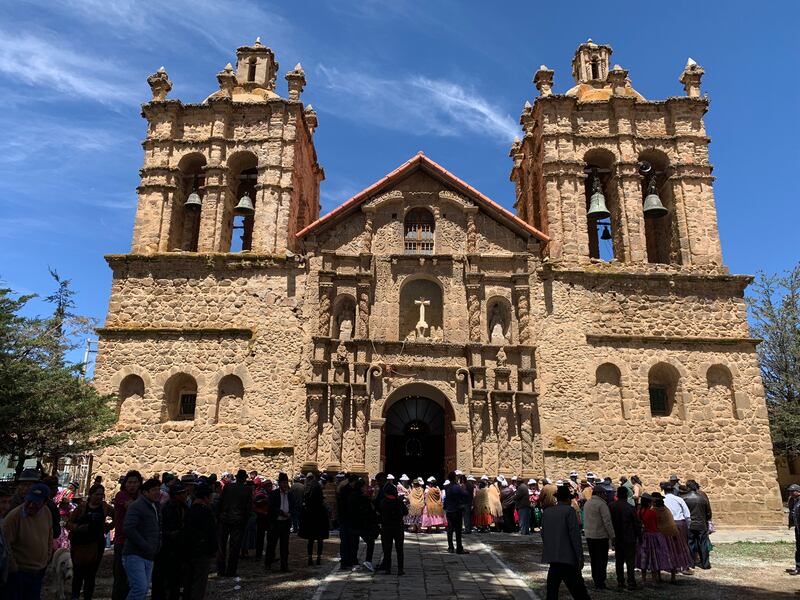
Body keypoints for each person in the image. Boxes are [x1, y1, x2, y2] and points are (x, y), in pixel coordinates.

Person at [2, 483, 53, 600]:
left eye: (36, 503)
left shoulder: (47, 513)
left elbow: (49, 535)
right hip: (20, 572)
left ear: (44, 503)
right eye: (29, 501)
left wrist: (47, 557)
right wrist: (14, 567)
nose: (30, 505)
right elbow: (5, 545)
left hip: (38, 571)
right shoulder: (14, 517)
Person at [540, 485, 590, 600]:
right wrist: (580, 557)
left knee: (552, 593)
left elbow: (543, 534)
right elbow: (575, 537)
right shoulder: (569, 511)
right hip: (568, 559)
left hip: (554, 558)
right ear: (567, 499)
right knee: (580, 593)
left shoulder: (547, 512)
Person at [67, 483, 114, 600]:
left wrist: (108, 527)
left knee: (91, 574)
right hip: (79, 543)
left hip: (96, 544)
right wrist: (78, 528)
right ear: (91, 495)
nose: (99, 497)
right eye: (96, 494)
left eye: (101, 495)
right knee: (78, 573)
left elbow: (117, 516)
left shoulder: (105, 507)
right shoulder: (81, 508)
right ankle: (75, 596)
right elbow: (69, 523)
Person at [123, 478, 162, 600]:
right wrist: (145, 545)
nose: (157, 492)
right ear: (145, 492)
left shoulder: (155, 506)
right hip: (135, 554)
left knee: (143, 590)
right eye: (154, 490)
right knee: (139, 588)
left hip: (148, 555)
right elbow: (129, 529)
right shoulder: (137, 506)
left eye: (158, 489)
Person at [152, 482, 188, 600]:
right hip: (168, 550)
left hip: (178, 549)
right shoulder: (168, 509)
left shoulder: (183, 507)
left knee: (175, 581)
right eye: (182, 493)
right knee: (165, 580)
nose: (185, 495)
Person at [112, 470, 142, 600]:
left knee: (134, 579)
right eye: (130, 482)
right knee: (120, 579)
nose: (132, 485)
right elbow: (132, 507)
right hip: (122, 542)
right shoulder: (121, 495)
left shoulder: (140, 497)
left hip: (137, 542)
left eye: (135, 482)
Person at [184, 483, 217, 600]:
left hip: (189, 551)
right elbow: (210, 533)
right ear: (206, 497)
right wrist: (214, 550)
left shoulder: (189, 510)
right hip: (202, 552)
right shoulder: (205, 511)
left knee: (189, 581)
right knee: (199, 582)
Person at [651, 492, 693, 583]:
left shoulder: (654, 511)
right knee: (672, 554)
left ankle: (658, 577)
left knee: (658, 555)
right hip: (671, 534)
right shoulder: (666, 510)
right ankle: (673, 577)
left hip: (661, 535)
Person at [216, 469, 251, 577]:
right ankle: (231, 570)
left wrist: (220, 515)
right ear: (244, 479)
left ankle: (221, 570)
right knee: (234, 547)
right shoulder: (247, 490)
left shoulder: (228, 487)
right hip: (238, 520)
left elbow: (221, 502)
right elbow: (248, 508)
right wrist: (245, 520)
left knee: (221, 545)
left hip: (225, 518)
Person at [582, 484, 614, 590]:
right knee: (602, 560)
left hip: (590, 536)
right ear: (600, 494)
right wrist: (612, 535)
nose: (605, 495)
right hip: (600, 536)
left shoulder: (587, 503)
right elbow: (607, 522)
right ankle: (600, 581)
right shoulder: (601, 504)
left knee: (594, 559)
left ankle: (596, 579)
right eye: (604, 493)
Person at [609, 486, 639, 590]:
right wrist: (639, 536)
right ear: (626, 495)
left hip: (617, 537)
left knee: (619, 560)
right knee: (630, 561)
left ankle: (620, 581)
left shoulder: (612, 506)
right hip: (629, 537)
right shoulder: (630, 508)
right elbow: (636, 524)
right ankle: (631, 581)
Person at [298, 473, 329, 566]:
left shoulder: (308, 496)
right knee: (320, 540)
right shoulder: (321, 502)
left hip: (311, 518)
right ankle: (319, 558)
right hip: (319, 519)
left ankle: (310, 558)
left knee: (311, 540)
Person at [265, 472, 294, 572]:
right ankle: (268, 563)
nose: (285, 485)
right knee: (271, 544)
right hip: (276, 522)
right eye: (284, 483)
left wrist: (290, 514)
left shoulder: (290, 494)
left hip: (285, 523)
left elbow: (293, 506)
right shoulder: (274, 494)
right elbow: (272, 507)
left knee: (284, 546)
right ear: (280, 483)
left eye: (286, 483)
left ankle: (284, 565)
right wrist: (282, 513)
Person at [349, 478, 378, 571]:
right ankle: (368, 561)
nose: (365, 488)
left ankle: (354, 563)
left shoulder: (351, 497)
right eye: (364, 486)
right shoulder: (364, 498)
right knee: (370, 542)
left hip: (353, 523)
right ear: (361, 487)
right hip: (363, 524)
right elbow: (370, 511)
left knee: (354, 544)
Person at [682, 480, 712, 569]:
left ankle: (691, 563)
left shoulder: (684, 498)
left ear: (688, 487)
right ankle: (705, 564)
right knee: (703, 544)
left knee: (690, 543)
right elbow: (708, 513)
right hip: (701, 525)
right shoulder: (703, 498)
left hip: (690, 525)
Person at [379, 481, 406, 575]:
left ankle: (387, 569)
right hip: (398, 527)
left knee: (387, 549)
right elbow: (406, 512)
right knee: (399, 549)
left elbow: (379, 512)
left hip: (386, 527)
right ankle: (400, 569)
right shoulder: (398, 502)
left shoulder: (383, 502)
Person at [443, 473, 469, 554]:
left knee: (450, 530)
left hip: (449, 510)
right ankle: (459, 548)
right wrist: (464, 488)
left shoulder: (447, 487)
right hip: (457, 510)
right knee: (458, 530)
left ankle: (450, 547)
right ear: (454, 478)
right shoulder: (458, 487)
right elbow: (466, 494)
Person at [252, 478, 270, 560]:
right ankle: (259, 554)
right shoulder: (261, 493)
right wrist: (265, 500)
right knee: (260, 535)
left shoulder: (268, 493)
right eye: (269, 486)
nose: (270, 487)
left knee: (268, 536)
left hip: (266, 516)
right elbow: (256, 501)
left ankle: (269, 554)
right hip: (261, 516)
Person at [787, 483, 800, 576]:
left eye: (792, 491)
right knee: (798, 547)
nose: (790, 493)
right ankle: (798, 567)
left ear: (798, 492)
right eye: (790, 491)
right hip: (797, 527)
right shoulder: (792, 500)